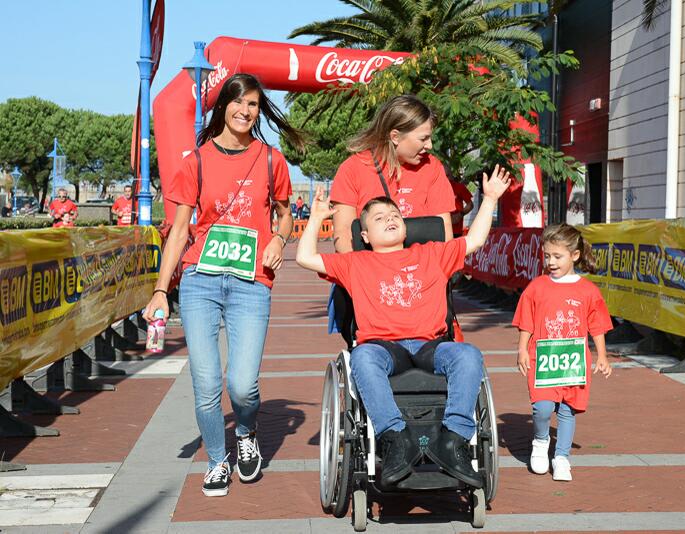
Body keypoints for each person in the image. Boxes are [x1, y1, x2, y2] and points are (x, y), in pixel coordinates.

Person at [297, 164, 511, 489]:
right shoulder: (356, 263)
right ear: (365, 236)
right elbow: (305, 258)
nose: (390, 219)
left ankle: (452, 441)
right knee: (362, 357)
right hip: (385, 348)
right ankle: (395, 439)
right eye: (379, 218)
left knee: (468, 355)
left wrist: (491, 198)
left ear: (406, 227)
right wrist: (315, 219)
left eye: (394, 215)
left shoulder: (431, 254)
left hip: (430, 346)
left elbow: (476, 240)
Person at [143, 73, 304, 498]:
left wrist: (278, 239)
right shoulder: (195, 161)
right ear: (223, 106)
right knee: (206, 380)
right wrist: (161, 291)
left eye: (253, 104)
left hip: (252, 283)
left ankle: (246, 431)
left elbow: (285, 214)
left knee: (242, 384)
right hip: (201, 280)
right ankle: (217, 459)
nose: (245, 111)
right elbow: (179, 232)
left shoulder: (272, 160)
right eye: (238, 103)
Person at [328, 95, 457, 345]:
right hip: (372, 291)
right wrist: (367, 282)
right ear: (395, 136)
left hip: (421, 291)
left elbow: (445, 238)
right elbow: (343, 236)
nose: (429, 145)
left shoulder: (432, 169)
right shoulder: (353, 169)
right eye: (423, 139)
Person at [513, 223, 613, 482]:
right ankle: (540, 440)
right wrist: (522, 348)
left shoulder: (588, 291)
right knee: (543, 408)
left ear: (574, 256)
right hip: (543, 358)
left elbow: (597, 325)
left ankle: (561, 457)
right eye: (547, 256)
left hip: (573, 360)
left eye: (557, 256)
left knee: (568, 410)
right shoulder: (537, 287)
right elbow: (527, 320)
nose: (551, 262)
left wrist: (602, 355)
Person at [443, 165, 474, 237]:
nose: (446, 179)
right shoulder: (436, 188)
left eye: (447, 175)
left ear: (451, 175)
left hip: (456, 230)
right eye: (443, 176)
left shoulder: (459, 187)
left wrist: (460, 214)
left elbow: (470, 205)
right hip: (441, 229)